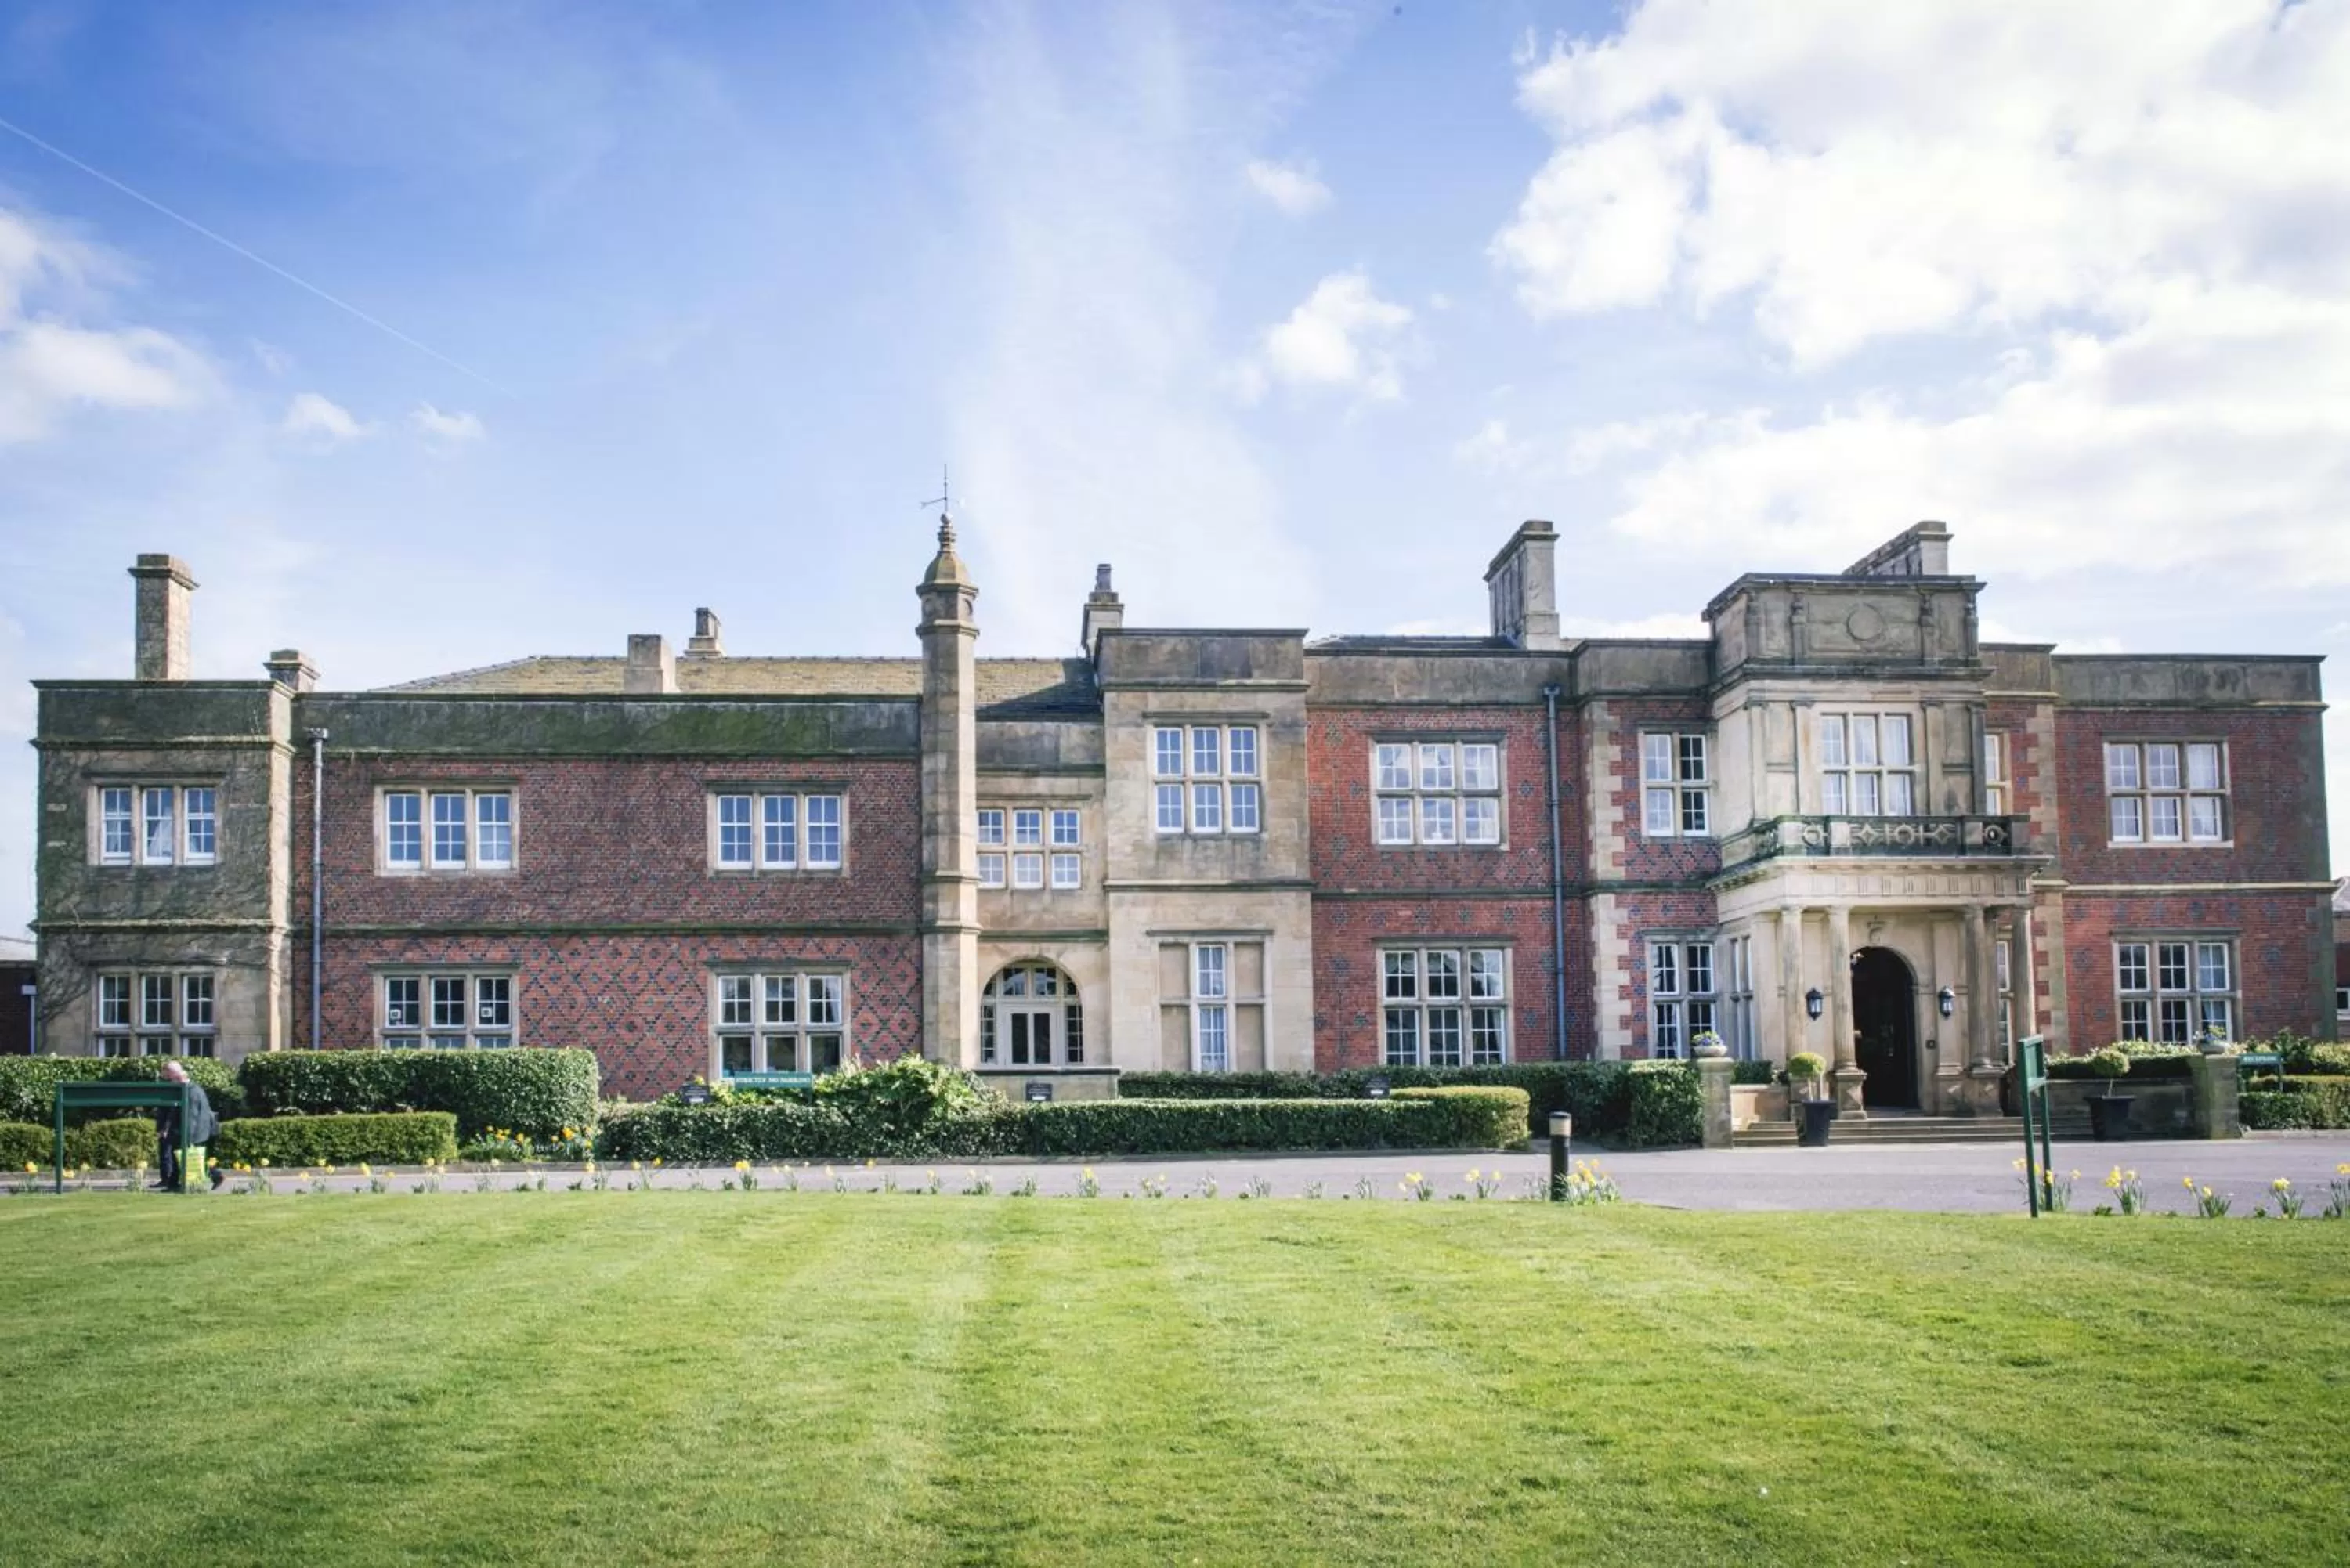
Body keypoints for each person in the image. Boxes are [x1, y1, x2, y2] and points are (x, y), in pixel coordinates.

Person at [154, 1061, 221, 1191]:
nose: (170, 1082)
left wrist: (188, 1139)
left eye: (171, 1079)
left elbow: (191, 1118)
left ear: (177, 1077)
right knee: (187, 1157)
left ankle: (215, 1175)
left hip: (191, 1132)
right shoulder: (192, 1089)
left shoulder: (190, 1092)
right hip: (192, 1131)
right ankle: (174, 1184)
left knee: (183, 1156)